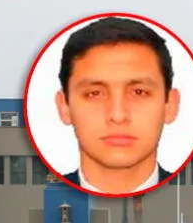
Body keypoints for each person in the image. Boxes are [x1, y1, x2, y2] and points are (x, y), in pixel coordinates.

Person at [54, 16, 180, 194]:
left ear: (170, 105)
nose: (118, 115)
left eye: (139, 92)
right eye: (95, 94)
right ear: (64, 106)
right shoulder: (49, 195)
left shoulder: (182, 197)